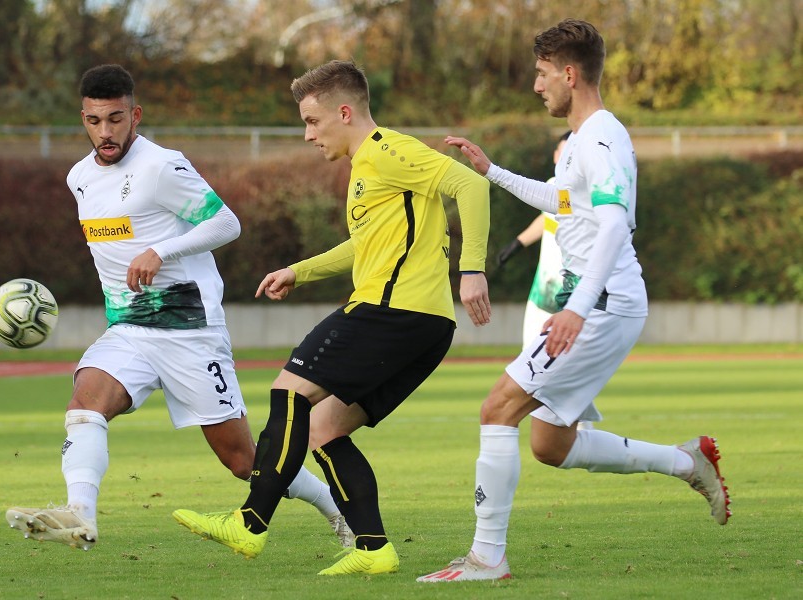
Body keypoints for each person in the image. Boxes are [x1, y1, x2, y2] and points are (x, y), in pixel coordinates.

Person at [417, 20, 730, 583]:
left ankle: (487, 558)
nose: (536, 86)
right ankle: (688, 461)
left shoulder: (602, 137)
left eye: (541, 74)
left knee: (497, 410)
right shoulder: (582, 141)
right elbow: (562, 203)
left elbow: (612, 227)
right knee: (550, 443)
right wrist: (492, 172)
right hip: (601, 301)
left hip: (603, 303)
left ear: (568, 73)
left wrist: (578, 307)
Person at [5, 64, 352, 551]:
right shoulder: (79, 177)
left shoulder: (161, 166)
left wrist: (162, 252)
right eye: (94, 120)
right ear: (81, 118)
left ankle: (339, 511)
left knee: (242, 460)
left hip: (191, 331)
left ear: (136, 114)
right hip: (129, 330)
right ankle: (80, 514)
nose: (105, 132)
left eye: (116, 119)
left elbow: (227, 223)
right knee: (85, 403)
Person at [171, 59, 492, 576]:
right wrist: (300, 271)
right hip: (422, 323)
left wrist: (471, 269)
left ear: (344, 112)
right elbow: (363, 246)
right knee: (322, 430)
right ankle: (373, 548)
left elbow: (472, 186)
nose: (306, 135)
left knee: (289, 392)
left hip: (391, 310)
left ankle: (250, 522)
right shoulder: (367, 170)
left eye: (312, 121)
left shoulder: (389, 151)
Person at [497, 131, 570, 350]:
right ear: (555, 155)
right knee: (529, 355)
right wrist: (518, 243)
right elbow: (547, 218)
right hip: (542, 290)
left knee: (556, 362)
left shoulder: (579, 192)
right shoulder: (552, 185)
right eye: (562, 152)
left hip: (568, 292)